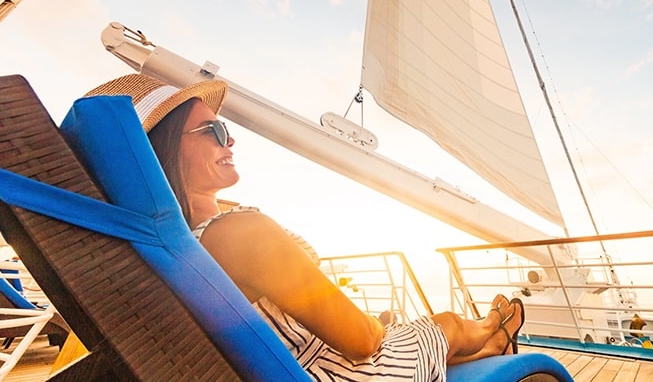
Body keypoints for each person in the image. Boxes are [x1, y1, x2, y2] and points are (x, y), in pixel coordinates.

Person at [86, 74, 526, 381]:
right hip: (339, 372)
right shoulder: (239, 234)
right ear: (162, 151)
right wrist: (379, 330)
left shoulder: (173, 247)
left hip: (297, 363)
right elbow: (362, 342)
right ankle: (492, 330)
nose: (231, 140)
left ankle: (488, 340)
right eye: (214, 131)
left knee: (420, 328)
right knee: (443, 322)